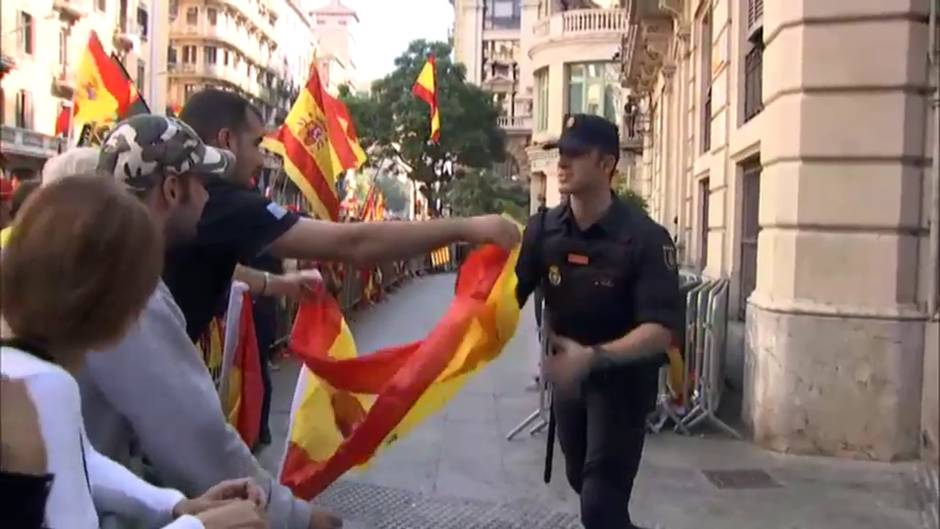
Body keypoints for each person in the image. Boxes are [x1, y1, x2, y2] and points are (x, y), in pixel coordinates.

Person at [76, 115, 338, 529]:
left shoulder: (81, 256)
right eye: (202, 183)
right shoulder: (125, 286)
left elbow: (80, 455)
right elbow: (198, 439)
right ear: (173, 189)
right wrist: (299, 518)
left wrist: (173, 507)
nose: (206, 196)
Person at [0, 175, 267, 529]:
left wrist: (178, 506)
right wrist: (202, 527)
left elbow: (81, 460)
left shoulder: (27, 370)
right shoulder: (43, 387)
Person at [169, 88, 520, 343]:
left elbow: (217, 263)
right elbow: (354, 242)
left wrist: (280, 285)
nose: (262, 160)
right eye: (257, 144)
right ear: (227, 140)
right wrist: (468, 227)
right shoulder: (224, 200)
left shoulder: (203, 199)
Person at [515, 114, 681, 529]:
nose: (562, 163)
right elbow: (507, 297)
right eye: (561, 153)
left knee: (600, 501)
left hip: (623, 381)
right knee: (580, 480)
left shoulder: (645, 237)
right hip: (570, 382)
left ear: (607, 165)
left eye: (575, 153)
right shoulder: (542, 231)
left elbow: (661, 329)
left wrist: (592, 357)